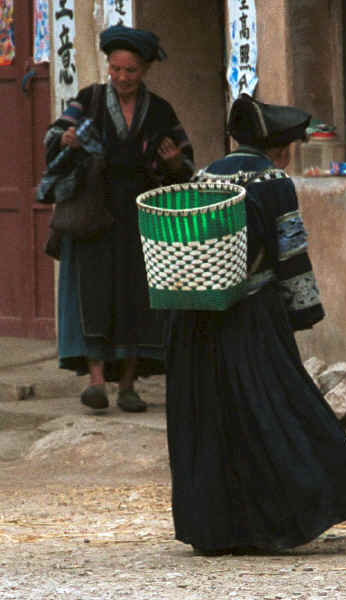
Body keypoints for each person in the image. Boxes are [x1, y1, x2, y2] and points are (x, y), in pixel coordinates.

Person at [165, 94, 346, 555]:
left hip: (201, 319)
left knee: (217, 416)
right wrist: (303, 313)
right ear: (278, 148)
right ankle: (282, 518)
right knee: (278, 409)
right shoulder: (274, 181)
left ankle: (218, 528)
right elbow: (291, 253)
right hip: (253, 315)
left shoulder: (203, 177)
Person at [44, 25, 194, 413]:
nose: (122, 78)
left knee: (136, 300)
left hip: (140, 216)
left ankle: (128, 385)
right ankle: (96, 383)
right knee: (94, 295)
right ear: (108, 68)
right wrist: (67, 140)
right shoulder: (89, 100)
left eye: (131, 71)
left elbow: (185, 162)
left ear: (144, 70)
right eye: (116, 70)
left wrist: (175, 162)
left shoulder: (159, 110)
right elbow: (54, 135)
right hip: (95, 212)